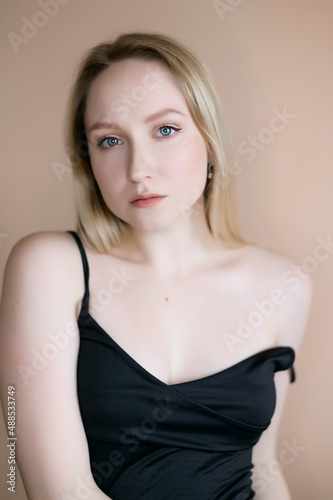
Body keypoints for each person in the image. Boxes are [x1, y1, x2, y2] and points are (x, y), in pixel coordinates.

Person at [0, 32, 312, 500]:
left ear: (209, 138)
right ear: (88, 162)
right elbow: (58, 490)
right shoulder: (50, 268)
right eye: (109, 140)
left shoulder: (286, 284)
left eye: (165, 130)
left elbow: (264, 466)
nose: (138, 168)